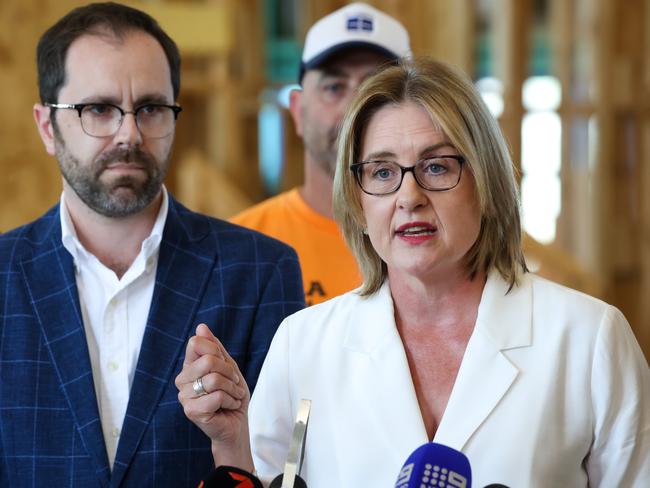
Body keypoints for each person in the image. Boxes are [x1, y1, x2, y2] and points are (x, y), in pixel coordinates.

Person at [176, 57, 650, 486]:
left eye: (437, 167)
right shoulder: (302, 343)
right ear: (358, 202)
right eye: (382, 172)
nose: (409, 197)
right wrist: (229, 444)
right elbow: (260, 475)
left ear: (485, 183)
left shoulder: (588, 340)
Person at [0, 3, 304, 486]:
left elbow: (293, 473)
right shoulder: (5, 275)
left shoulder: (260, 271)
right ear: (46, 127)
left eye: (150, 108)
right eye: (98, 109)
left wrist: (235, 444)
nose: (129, 134)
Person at [231, 2, 411, 305]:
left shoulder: (440, 243)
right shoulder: (240, 247)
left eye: (374, 88)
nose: (353, 108)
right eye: (333, 87)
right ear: (299, 111)